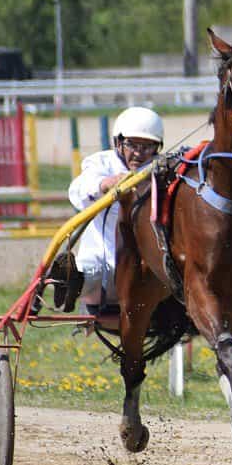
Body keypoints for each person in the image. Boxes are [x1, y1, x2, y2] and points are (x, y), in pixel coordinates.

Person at [57, 106, 165, 317]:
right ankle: (70, 286)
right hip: (103, 266)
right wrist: (106, 184)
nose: (139, 153)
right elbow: (77, 192)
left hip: (147, 269)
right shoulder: (101, 163)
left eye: (147, 146)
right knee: (86, 272)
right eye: (132, 144)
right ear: (118, 142)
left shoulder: (160, 168)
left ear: (157, 147)